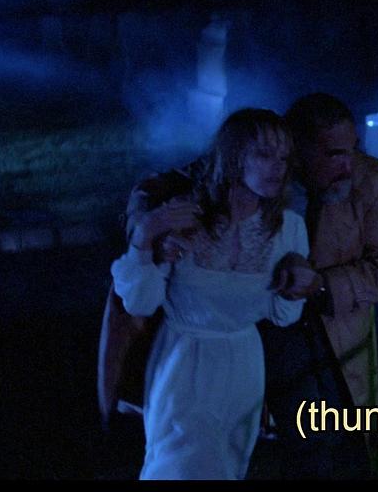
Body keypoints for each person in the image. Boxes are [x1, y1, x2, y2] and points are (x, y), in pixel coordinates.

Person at [108, 108, 313, 480]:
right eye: (264, 154)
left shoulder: (289, 228)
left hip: (243, 366)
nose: (277, 167)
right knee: (178, 466)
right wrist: (146, 237)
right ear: (234, 157)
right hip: (183, 361)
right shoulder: (186, 217)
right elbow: (140, 301)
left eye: (284, 158)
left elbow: (285, 316)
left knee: (228, 467)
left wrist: (297, 283)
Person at [258, 92, 378, 478]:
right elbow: (202, 177)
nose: (348, 165)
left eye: (353, 149)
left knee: (347, 451)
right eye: (333, 154)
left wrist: (323, 286)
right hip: (269, 337)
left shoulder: (370, 181)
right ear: (297, 152)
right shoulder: (261, 176)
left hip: (337, 335)